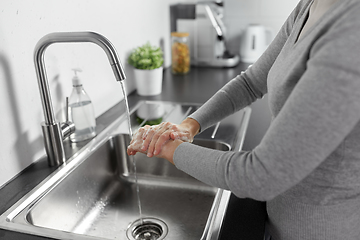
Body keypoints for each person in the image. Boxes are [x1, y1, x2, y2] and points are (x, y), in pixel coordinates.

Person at [127, 0, 360, 239]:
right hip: (280, 218)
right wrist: (188, 125)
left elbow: (260, 176)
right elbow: (251, 82)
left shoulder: (351, 31)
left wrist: (167, 147)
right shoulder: (310, 5)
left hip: (321, 229)